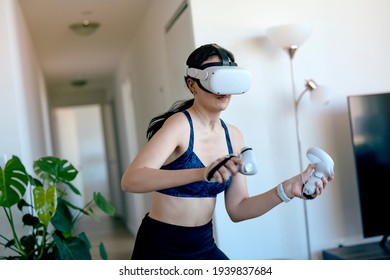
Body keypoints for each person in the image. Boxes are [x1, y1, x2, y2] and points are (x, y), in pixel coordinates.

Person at [120, 43, 334, 260]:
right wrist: (202, 173)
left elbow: (238, 208)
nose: (224, 90)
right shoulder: (180, 126)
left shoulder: (234, 136)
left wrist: (287, 189)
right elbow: (131, 180)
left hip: (203, 244)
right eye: (216, 78)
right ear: (192, 85)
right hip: (161, 247)